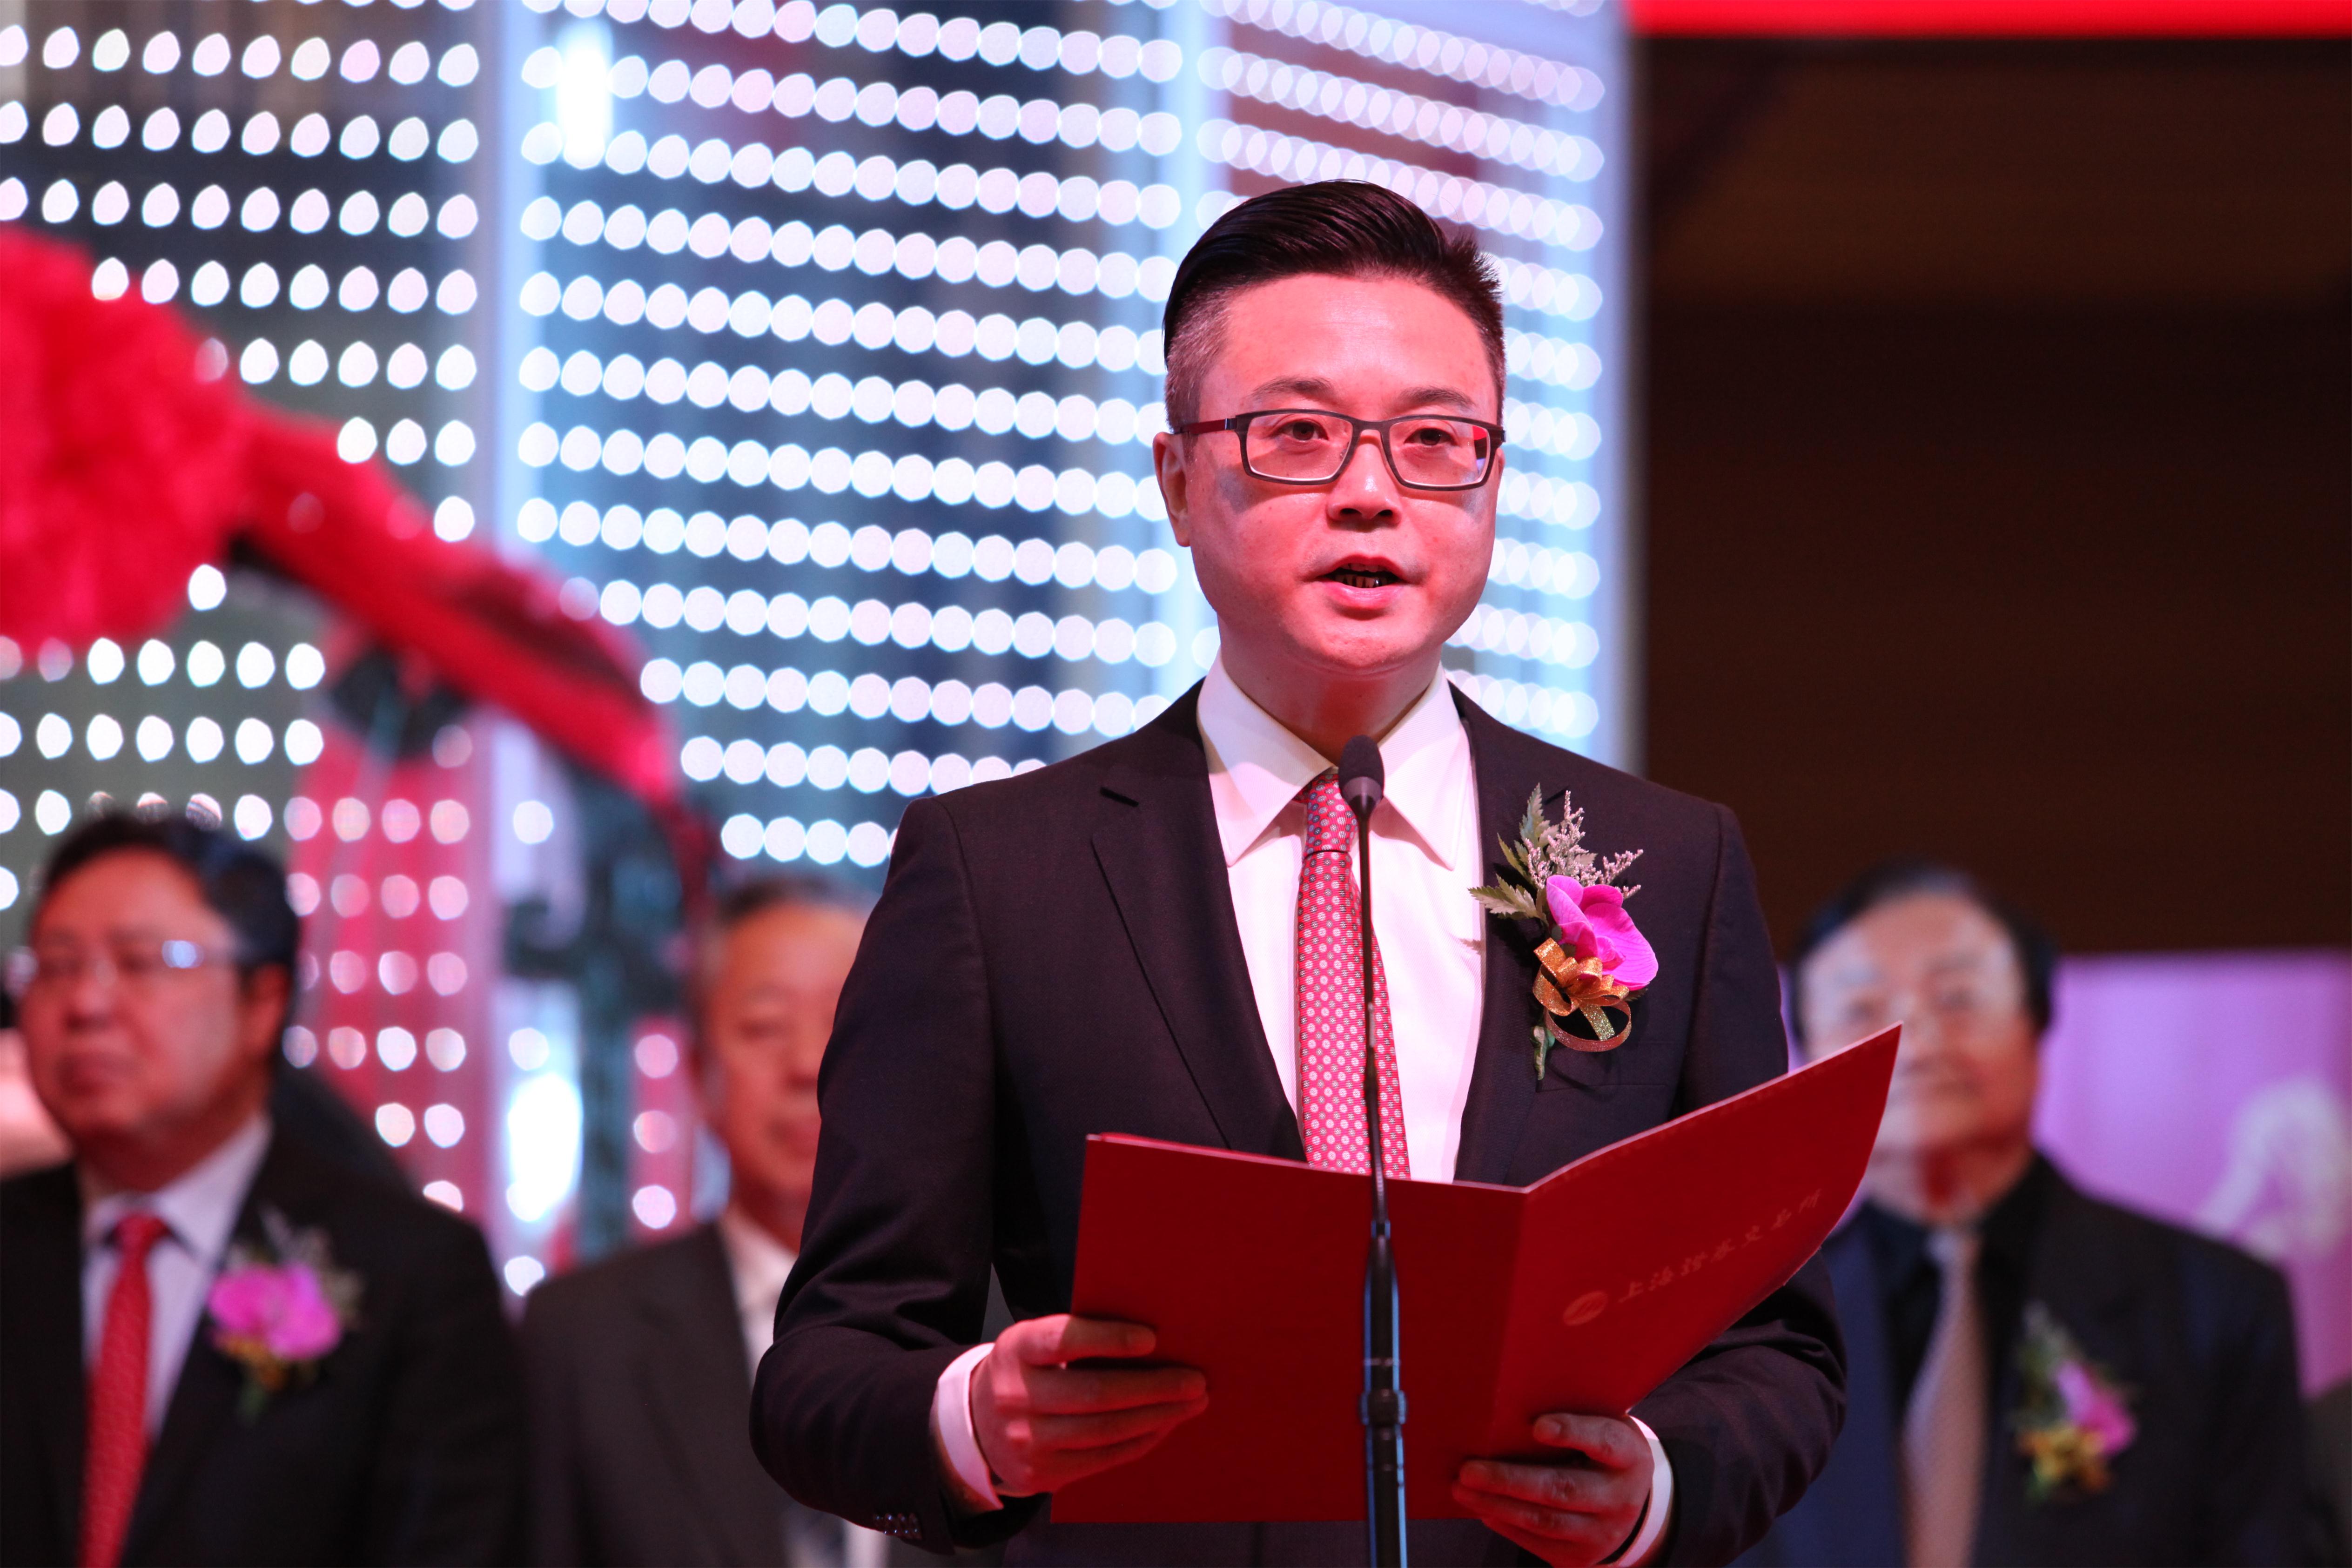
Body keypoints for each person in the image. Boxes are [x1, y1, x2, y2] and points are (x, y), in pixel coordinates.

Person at [753, 181, 1844, 1568]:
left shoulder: (1666, 863)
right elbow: (827, 1366)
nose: (1371, 491)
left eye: (1435, 439)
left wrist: (1655, 1486)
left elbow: (1776, 1346)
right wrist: (980, 1419)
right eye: (1298, 435)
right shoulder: (997, 874)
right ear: (1176, 480)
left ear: (1493, 480)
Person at [1740, 860, 2308, 1568]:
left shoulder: (2215, 1303)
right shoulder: (1753, 1325)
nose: (1916, 1040)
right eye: (1861, 1010)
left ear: (2038, 1027)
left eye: (1958, 998)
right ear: (1807, 1059)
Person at [0, 809, 524, 1567]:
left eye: (139, 962)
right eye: (56, 965)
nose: (86, 1003)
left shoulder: (412, 1272)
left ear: (263, 1002)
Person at [521, 876, 893, 1568]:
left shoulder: (1001, 1323)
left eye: (844, 1021)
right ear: (699, 1070)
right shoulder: (581, 1338)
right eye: (763, 1027)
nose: (807, 1064)